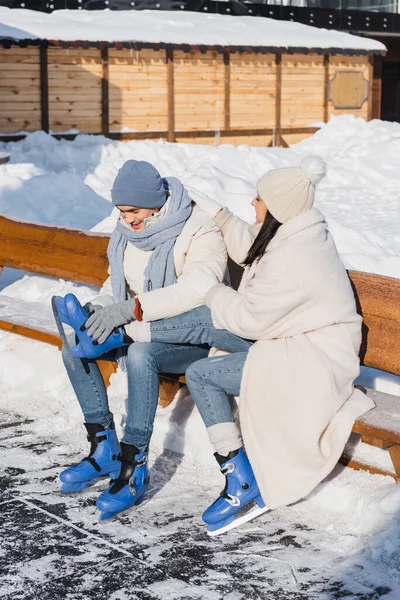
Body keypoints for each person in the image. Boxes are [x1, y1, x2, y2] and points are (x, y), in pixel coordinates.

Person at [124, 155, 374, 535]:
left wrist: (208, 290)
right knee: (209, 320)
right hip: (287, 341)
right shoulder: (295, 232)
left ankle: (241, 480)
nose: (252, 204)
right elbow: (253, 248)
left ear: (276, 207)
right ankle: (129, 332)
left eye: (258, 199)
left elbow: (248, 319)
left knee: (203, 370)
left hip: (310, 360)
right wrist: (220, 214)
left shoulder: (298, 256)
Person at [58, 159, 232, 520]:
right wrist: (100, 309)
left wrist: (129, 311)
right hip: (137, 321)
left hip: (193, 334)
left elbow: (198, 291)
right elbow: (115, 284)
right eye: (121, 212)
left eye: (133, 211)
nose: (128, 220)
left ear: (157, 201)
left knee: (141, 354)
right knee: (75, 345)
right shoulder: (127, 232)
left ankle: (133, 463)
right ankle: (102, 446)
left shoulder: (199, 229)